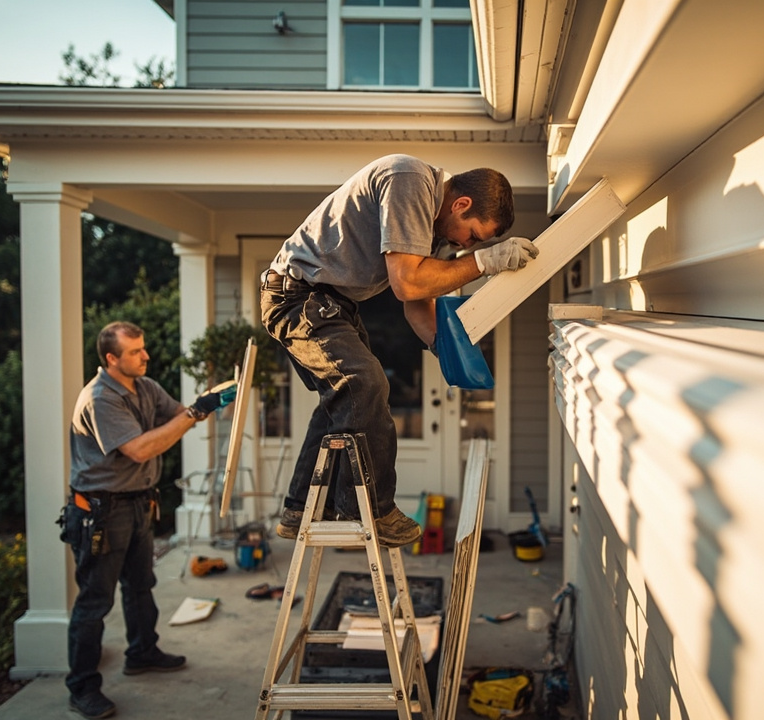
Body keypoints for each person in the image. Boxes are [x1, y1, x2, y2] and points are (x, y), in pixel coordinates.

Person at [260, 154, 538, 547]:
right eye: (474, 234)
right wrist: (482, 262)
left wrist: (444, 347)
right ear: (461, 204)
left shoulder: (437, 231)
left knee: (343, 401)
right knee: (363, 385)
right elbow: (407, 284)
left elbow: (417, 300)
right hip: (298, 296)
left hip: (332, 304)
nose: (467, 243)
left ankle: (298, 507)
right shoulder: (410, 180)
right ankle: (368, 508)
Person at [64, 321, 232, 719]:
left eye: (143, 348)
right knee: (94, 601)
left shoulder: (145, 386)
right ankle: (82, 688)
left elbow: (178, 417)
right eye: (136, 352)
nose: (146, 356)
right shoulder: (100, 398)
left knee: (141, 585)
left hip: (138, 504)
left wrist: (209, 402)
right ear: (111, 358)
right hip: (101, 512)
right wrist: (194, 412)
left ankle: (142, 652)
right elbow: (139, 450)